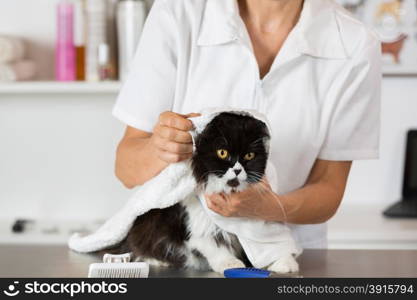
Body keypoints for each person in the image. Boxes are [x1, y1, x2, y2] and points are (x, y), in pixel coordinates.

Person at [112, 0, 381, 249]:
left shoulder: (354, 43)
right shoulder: (179, 12)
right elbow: (126, 169)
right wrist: (160, 149)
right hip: (183, 250)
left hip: (286, 258)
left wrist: (267, 207)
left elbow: (328, 189)